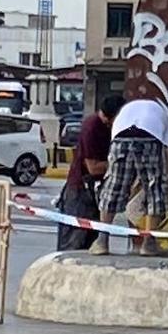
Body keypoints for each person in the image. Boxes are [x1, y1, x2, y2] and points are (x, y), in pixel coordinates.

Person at [90, 97, 168, 256]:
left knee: (113, 187)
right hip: (151, 137)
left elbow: (115, 144)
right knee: (155, 190)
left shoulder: (125, 112)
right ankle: (148, 244)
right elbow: (164, 150)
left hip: (121, 137)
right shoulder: (164, 117)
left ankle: (102, 241)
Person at [56, 96, 122, 251]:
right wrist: (117, 164)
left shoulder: (110, 130)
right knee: (75, 240)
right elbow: (93, 167)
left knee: (90, 239)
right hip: (80, 191)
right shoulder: (92, 127)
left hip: (94, 191)